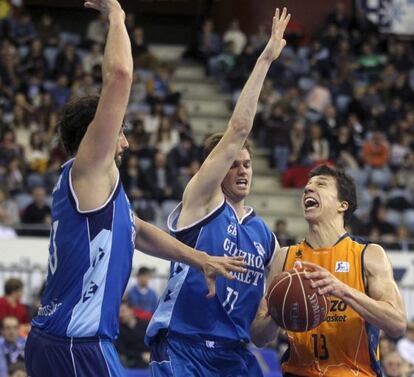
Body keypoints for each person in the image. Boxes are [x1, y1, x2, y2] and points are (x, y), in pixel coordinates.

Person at [24, 1, 245, 377]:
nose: (125, 141)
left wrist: (201, 259)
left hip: (54, 340)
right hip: (80, 345)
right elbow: (121, 75)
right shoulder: (91, 166)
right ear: (98, 132)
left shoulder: (95, 192)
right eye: (121, 130)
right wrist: (117, 16)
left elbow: (138, 230)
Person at [146, 8, 290, 377]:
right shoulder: (202, 201)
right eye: (233, 163)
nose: (242, 169)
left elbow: (261, 338)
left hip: (235, 355)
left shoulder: (268, 242)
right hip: (183, 346)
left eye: (247, 164)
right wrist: (265, 59)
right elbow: (239, 129)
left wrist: (279, 311)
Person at [251, 164, 407, 377]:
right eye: (307, 186)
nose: (308, 189)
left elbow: (397, 324)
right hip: (298, 372)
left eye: (320, 184)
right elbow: (259, 338)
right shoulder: (285, 256)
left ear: (342, 205)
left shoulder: (368, 254)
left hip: (352, 372)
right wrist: (279, 313)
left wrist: (341, 290)